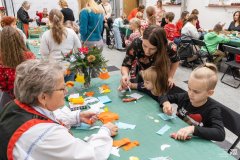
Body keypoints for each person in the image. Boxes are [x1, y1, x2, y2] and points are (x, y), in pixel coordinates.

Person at [0, 59, 118, 160]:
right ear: (43, 97)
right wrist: (105, 131)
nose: (66, 92)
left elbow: (39, 119)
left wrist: (76, 117)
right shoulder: (47, 135)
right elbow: (91, 155)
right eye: (62, 88)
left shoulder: (15, 105)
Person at [159, 63, 225, 142]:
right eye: (189, 88)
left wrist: (193, 129)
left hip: (196, 144)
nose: (190, 94)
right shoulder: (185, 96)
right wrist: (165, 103)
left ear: (209, 93)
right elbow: (161, 95)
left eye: (196, 92)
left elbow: (220, 134)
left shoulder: (213, 109)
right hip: (176, 133)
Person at [120, 26, 179, 90]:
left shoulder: (170, 47)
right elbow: (126, 64)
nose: (147, 51)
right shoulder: (136, 43)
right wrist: (125, 75)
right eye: (144, 46)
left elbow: (175, 60)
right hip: (142, 74)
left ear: (160, 46)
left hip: (160, 75)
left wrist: (170, 76)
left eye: (152, 49)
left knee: (158, 92)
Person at [40, 9, 81, 82]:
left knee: (57, 91)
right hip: (69, 67)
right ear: (62, 18)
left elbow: (44, 55)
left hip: (54, 70)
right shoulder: (71, 32)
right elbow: (79, 49)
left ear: (49, 20)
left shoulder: (46, 35)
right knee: (70, 90)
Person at [0, 26, 35, 108]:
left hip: (10, 96)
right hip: (28, 94)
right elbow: (35, 76)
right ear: (19, 39)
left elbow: (2, 84)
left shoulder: (1, 59)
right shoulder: (28, 56)